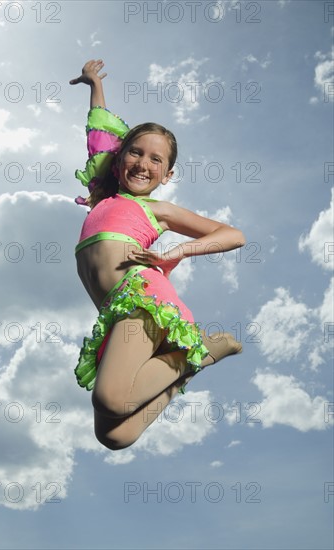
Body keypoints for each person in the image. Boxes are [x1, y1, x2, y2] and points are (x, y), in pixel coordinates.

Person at [70, 59, 245, 451]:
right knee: (115, 434)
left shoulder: (157, 210)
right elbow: (99, 129)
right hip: (117, 311)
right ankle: (189, 364)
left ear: (166, 175)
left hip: (144, 299)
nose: (143, 164)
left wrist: (179, 251)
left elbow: (233, 234)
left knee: (111, 399)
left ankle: (197, 351)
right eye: (135, 152)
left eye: (156, 160)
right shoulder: (103, 193)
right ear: (119, 159)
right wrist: (94, 83)